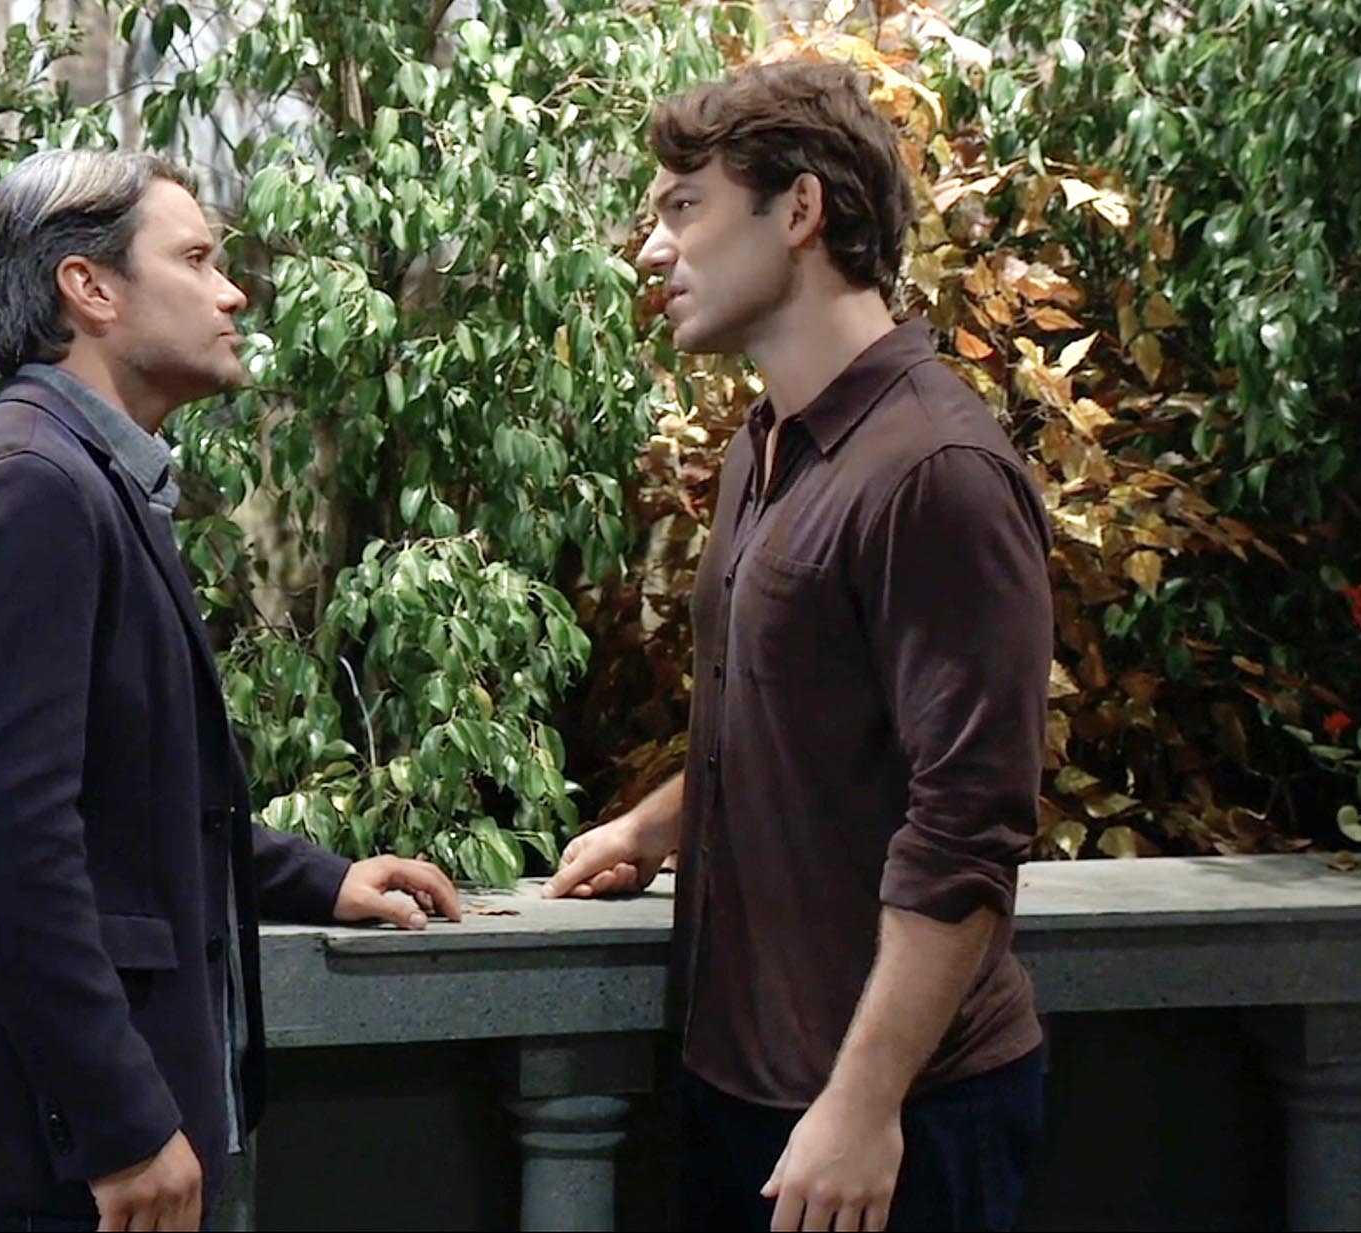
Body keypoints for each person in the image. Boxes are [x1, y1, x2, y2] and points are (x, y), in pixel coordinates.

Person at [0, 148, 462, 1233]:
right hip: (79, 1158)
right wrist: (118, 1122)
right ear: (88, 288)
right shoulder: (28, 486)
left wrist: (320, 879)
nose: (232, 292)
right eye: (195, 259)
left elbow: (133, 802)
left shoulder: (85, 476)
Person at [546, 61, 1053, 1233]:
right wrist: (652, 827)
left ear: (800, 210)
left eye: (685, 207)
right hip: (739, 1082)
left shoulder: (935, 471)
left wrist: (862, 1103)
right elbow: (792, 710)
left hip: (891, 1117)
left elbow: (968, 821)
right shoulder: (764, 445)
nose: (653, 248)